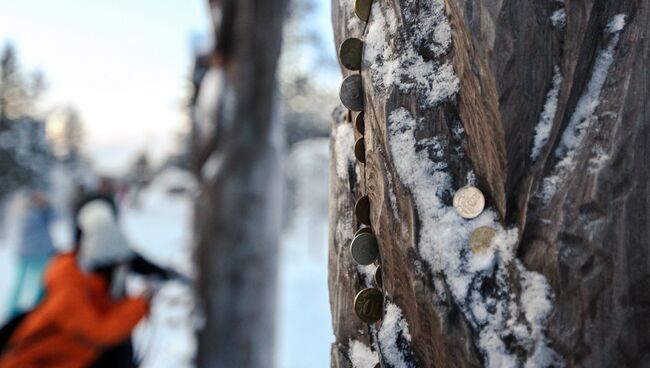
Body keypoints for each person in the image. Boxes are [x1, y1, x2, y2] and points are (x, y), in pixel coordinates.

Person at [0, 199, 153, 368]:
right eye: (119, 267)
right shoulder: (70, 288)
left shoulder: (86, 273)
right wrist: (138, 304)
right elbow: (98, 333)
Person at [6, 191, 55, 318]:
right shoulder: (37, 213)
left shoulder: (21, 212)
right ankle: (40, 308)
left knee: (19, 283)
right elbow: (55, 218)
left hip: (25, 252)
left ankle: (11, 310)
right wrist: (46, 207)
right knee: (42, 282)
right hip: (39, 252)